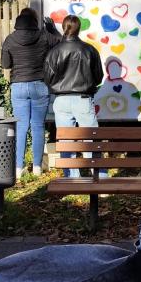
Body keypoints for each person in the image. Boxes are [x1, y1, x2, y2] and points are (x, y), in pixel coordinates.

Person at [1, 8, 62, 180]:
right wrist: (52, 29)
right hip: (39, 85)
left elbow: (6, 65)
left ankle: (18, 168)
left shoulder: (10, 39)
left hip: (18, 86)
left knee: (20, 127)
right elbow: (61, 42)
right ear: (35, 20)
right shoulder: (43, 36)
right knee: (37, 126)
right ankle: (36, 167)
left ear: (19, 20)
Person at [43, 14, 104, 178]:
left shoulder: (54, 51)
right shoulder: (89, 50)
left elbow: (47, 77)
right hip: (83, 99)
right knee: (91, 139)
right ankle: (100, 177)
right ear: (80, 28)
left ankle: (72, 177)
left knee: (66, 142)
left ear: (63, 28)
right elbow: (98, 76)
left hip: (61, 100)